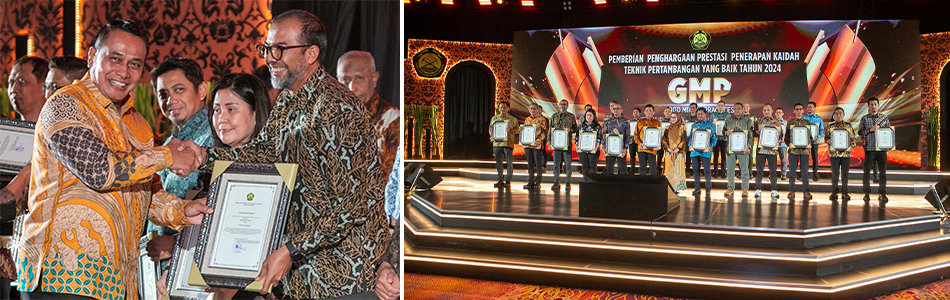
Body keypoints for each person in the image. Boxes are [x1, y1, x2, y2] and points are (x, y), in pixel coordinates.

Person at [181, 10, 390, 298]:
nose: (270, 56)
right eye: (267, 48)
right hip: (303, 280)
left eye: (280, 48)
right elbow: (262, 154)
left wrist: (291, 250)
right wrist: (205, 157)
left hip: (345, 279)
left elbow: (351, 206)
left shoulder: (338, 109)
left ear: (311, 53)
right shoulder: (288, 101)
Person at [16, 20, 212, 299]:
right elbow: (98, 169)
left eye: (135, 64)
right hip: (63, 277)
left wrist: (182, 210)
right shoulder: (66, 104)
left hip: (117, 282)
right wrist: (168, 155)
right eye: (115, 58)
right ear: (93, 56)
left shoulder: (138, 124)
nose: (124, 71)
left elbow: (147, 192)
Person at [157, 73, 275, 300]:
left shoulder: (273, 169)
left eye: (231, 109)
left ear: (255, 112)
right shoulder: (212, 170)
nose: (221, 118)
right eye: (217, 110)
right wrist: (175, 269)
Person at [0, 56, 49, 300]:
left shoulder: (56, 137)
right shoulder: (4, 136)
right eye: (10, 82)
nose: (13, 89)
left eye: (22, 81)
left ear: (45, 86)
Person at [337, 50, 400, 175]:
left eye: (359, 78)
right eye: (345, 79)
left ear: (374, 78)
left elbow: (391, 180)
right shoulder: (328, 119)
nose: (351, 88)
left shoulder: (392, 120)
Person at [858, 97, 890, 203]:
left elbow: (889, 132)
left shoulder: (884, 118)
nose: (873, 106)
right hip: (869, 148)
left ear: (878, 105)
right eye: (871, 104)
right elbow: (860, 132)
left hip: (881, 149)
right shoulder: (864, 118)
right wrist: (870, 130)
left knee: (883, 173)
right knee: (866, 172)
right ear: (868, 106)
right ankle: (866, 193)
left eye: (875, 104)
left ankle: (882, 193)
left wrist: (888, 145)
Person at [723, 103, 753, 197]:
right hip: (731, 149)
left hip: (743, 149)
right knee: (730, 170)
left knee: (744, 169)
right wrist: (725, 132)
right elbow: (723, 132)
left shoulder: (748, 120)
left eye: (738, 109)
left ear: (743, 109)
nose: (736, 110)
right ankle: (730, 187)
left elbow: (751, 135)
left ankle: (745, 188)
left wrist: (749, 147)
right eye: (735, 109)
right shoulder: (728, 120)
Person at [785, 103, 814, 201]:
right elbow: (787, 137)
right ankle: (791, 190)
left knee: (805, 172)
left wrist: (809, 144)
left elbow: (809, 136)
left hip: (804, 151)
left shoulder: (807, 122)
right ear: (794, 111)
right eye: (796, 109)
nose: (798, 111)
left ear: (803, 111)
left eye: (800, 109)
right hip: (793, 151)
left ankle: (806, 191)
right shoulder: (790, 122)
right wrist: (789, 144)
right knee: (792, 172)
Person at [754, 104, 782, 200]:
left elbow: (780, 136)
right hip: (761, 150)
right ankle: (758, 189)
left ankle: (774, 190)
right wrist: (758, 129)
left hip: (772, 151)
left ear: (772, 111)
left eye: (768, 110)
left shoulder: (776, 123)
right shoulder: (758, 122)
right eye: (765, 110)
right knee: (759, 171)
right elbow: (754, 133)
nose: (766, 112)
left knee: (773, 171)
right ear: (762, 111)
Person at [826, 107, 855, 202]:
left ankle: (845, 192)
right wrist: (828, 141)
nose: (839, 115)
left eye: (840, 113)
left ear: (843, 115)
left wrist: (852, 146)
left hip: (846, 153)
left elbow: (853, 139)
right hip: (834, 153)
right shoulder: (830, 126)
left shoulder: (848, 126)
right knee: (834, 174)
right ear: (833, 115)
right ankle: (834, 192)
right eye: (837, 114)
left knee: (845, 174)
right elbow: (826, 138)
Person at [687, 108, 717, 195]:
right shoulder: (694, 125)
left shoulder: (710, 125)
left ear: (705, 115)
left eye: (701, 114)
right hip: (695, 151)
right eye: (698, 114)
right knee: (695, 171)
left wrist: (710, 146)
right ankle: (697, 188)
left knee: (707, 170)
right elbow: (691, 137)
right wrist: (690, 145)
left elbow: (714, 139)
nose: (700, 115)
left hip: (705, 152)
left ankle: (708, 188)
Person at [549, 99, 577, 190]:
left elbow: (575, 129)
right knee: (556, 164)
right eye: (561, 104)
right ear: (559, 105)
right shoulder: (554, 116)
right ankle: (556, 182)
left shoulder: (571, 116)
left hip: (567, 144)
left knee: (568, 164)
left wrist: (570, 130)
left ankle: (568, 182)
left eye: (564, 104)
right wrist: (549, 142)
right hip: (556, 144)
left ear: (567, 106)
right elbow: (550, 130)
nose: (562, 106)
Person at [490, 101, 519, 188]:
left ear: (508, 108)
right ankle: (500, 179)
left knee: (509, 163)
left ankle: (508, 180)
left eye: (504, 107)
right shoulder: (494, 118)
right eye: (501, 107)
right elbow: (491, 129)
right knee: (498, 162)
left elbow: (517, 130)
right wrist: (492, 137)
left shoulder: (512, 119)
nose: (502, 109)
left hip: (508, 143)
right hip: (497, 143)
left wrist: (511, 130)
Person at [523, 103, 548, 190]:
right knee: (530, 164)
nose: (533, 110)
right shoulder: (527, 119)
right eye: (531, 108)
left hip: (537, 145)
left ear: (538, 110)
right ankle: (530, 181)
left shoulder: (542, 119)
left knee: (538, 164)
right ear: (529, 109)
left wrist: (538, 141)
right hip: (527, 145)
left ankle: (538, 182)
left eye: (534, 108)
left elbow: (545, 132)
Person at [662, 112, 687, 192]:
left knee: (677, 170)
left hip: (678, 152)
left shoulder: (682, 128)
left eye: (674, 117)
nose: (672, 119)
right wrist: (668, 148)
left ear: (678, 118)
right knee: (669, 170)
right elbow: (664, 139)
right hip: (669, 152)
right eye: (671, 117)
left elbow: (684, 139)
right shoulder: (667, 128)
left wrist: (678, 148)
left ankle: (677, 188)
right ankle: (668, 187)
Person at [602, 101, 629, 174]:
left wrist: (625, 148)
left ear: (621, 110)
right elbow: (604, 134)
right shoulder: (607, 121)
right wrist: (603, 146)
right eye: (614, 109)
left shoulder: (625, 122)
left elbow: (627, 136)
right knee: (609, 169)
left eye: (617, 109)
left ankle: (623, 184)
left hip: (621, 149)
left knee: (623, 169)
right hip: (609, 148)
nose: (615, 110)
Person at [634, 104, 662, 175]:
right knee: (642, 168)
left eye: (650, 110)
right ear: (644, 112)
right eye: (647, 110)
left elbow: (659, 136)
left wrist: (658, 146)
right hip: (641, 148)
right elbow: (635, 135)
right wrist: (639, 143)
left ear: (653, 112)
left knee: (653, 168)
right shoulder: (640, 122)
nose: (648, 112)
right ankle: (642, 185)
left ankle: (652, 185)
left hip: (652, 149)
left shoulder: (657, 123)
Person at [577, 109, 602, 182]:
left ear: (594, 116)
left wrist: (596, 147)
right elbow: (577, 136)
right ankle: (585, 183)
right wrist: (577, 145)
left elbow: (599, 137)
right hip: (582, 150)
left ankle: (593, 183)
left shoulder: (597, 126)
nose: (589, 117)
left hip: (593, 150)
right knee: (584, 167)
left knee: (592, 167)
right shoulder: (581, 125)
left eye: (590, 115)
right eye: (587, 115)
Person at [804, 101, 824, 182]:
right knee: (805, 158)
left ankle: (815, 174)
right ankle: (804, 173)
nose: (809, 108)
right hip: (805, 142)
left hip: (815, 142)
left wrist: (818, 137)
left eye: (811, 107)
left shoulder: (818, 118)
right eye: (808, 107)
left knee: (815, 158)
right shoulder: (803, 117)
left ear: (814, 108)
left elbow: (821, 129)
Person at [710, 100, 730, 178]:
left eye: (722, 105)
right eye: (719, 105)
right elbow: (711, 126)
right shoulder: (713, 115)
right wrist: (713, 124)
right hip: (715, 138)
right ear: (717, 106)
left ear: (724, 107)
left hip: (724, 138)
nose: (720, 107)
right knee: (715, 155)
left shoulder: (727, 115)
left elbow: (729, 125)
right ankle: (715, 171)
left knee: (723, 156)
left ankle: (723, 171)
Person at [774, 107, 789, 180]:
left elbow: (788, 133)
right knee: (773, 160)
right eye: (777, 112)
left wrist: (784, 140)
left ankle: (783, 174)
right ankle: (773, 174)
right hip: (773, 144)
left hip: (783, 144)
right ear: (775, 113)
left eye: (780, 112)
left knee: (783, 160)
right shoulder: (773, 123)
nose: (778, 114)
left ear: (783, 114)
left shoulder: (786, 123)